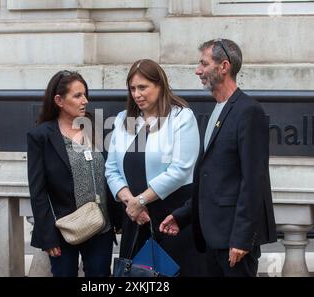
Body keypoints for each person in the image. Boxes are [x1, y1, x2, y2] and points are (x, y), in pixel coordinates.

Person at [160, 39, 277, 277]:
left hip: (234, 242)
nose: (198, 70)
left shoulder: (248, 111)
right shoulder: (217, 109)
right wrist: (183, 216)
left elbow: (253, 180)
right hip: (212, 239)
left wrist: (242, 239)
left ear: (224, 66)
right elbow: (213, 179)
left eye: (204, 63)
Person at [105, 59, 205, 276]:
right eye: (132, 88)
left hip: (172, 219)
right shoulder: (125, 120)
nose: (137, 94)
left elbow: (181, 169)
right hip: (135, 218)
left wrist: (141, 201)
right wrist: (131, 203)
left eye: (143, 87)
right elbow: (111, 169)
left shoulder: (180, 117)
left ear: (160, 86)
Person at [27, 70, 119, 277]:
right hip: (64, 228)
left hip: (100, 227)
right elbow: (37, 190)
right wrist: (48, 235)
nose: (84, 101)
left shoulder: (95, 126)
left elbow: (111, 171)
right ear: (59, 100)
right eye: (77, 96)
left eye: (85, 94)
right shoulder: (41, 135)